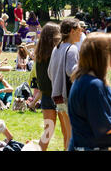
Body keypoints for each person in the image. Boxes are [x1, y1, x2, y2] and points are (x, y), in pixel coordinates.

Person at [68, 33, 111, 151]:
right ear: (101, 54)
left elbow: (110, 115)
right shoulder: (93, 85)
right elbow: (104, 126)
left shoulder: (88, 80)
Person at [47, 18, 82, 150]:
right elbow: (71, 70)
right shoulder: (72, 49)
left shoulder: (57, 48)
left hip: (57, 96)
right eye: (79, 30)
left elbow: (50, 72)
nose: (81, 32)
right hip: (68, 96)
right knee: (74, 135)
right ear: (72, 31)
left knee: (68, 135)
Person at [35, 22, 63, 150]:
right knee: (67, 131)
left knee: (48, 131)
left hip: (46, 96)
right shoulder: (57, 53)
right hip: (59, 95)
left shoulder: (39, 54)